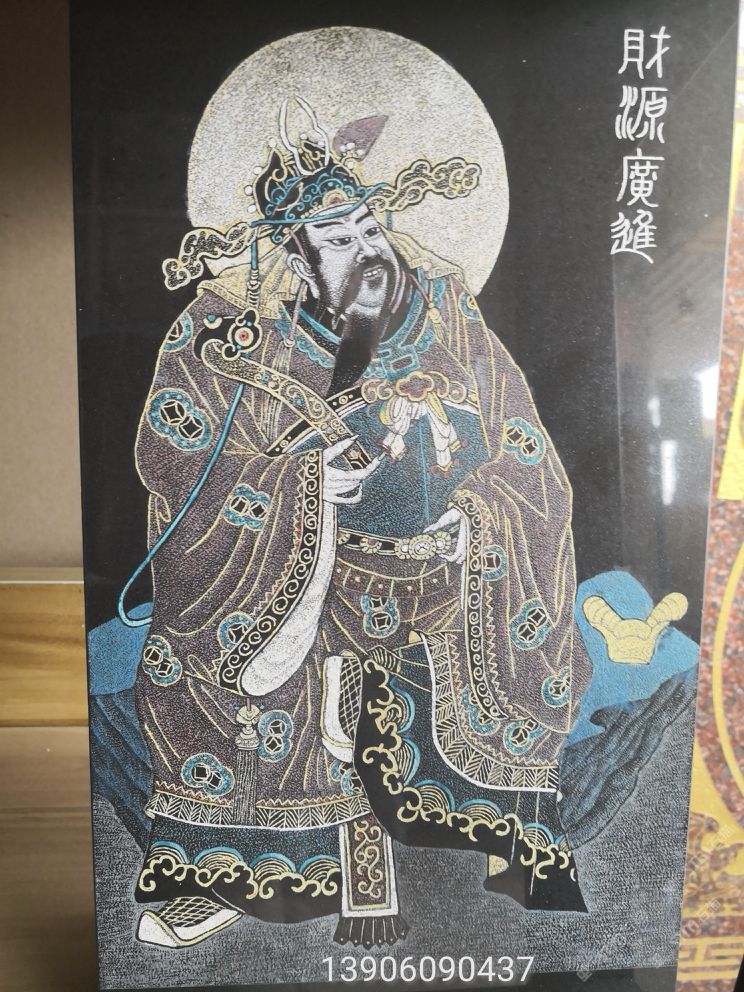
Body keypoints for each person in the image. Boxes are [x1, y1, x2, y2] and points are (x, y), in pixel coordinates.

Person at [131, 101, 591, 949]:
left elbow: (525, 455)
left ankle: (504, 846)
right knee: (217, 647)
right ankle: (229, 867)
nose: (368, 250)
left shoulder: (446, 313)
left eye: (371, 229)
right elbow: (175, 458)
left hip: (444, 572)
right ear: (294, 258)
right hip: (293, 577)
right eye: (338, 239)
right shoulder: (226, 334)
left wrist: (471, 511)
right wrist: (305, 487)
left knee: (516, 615)